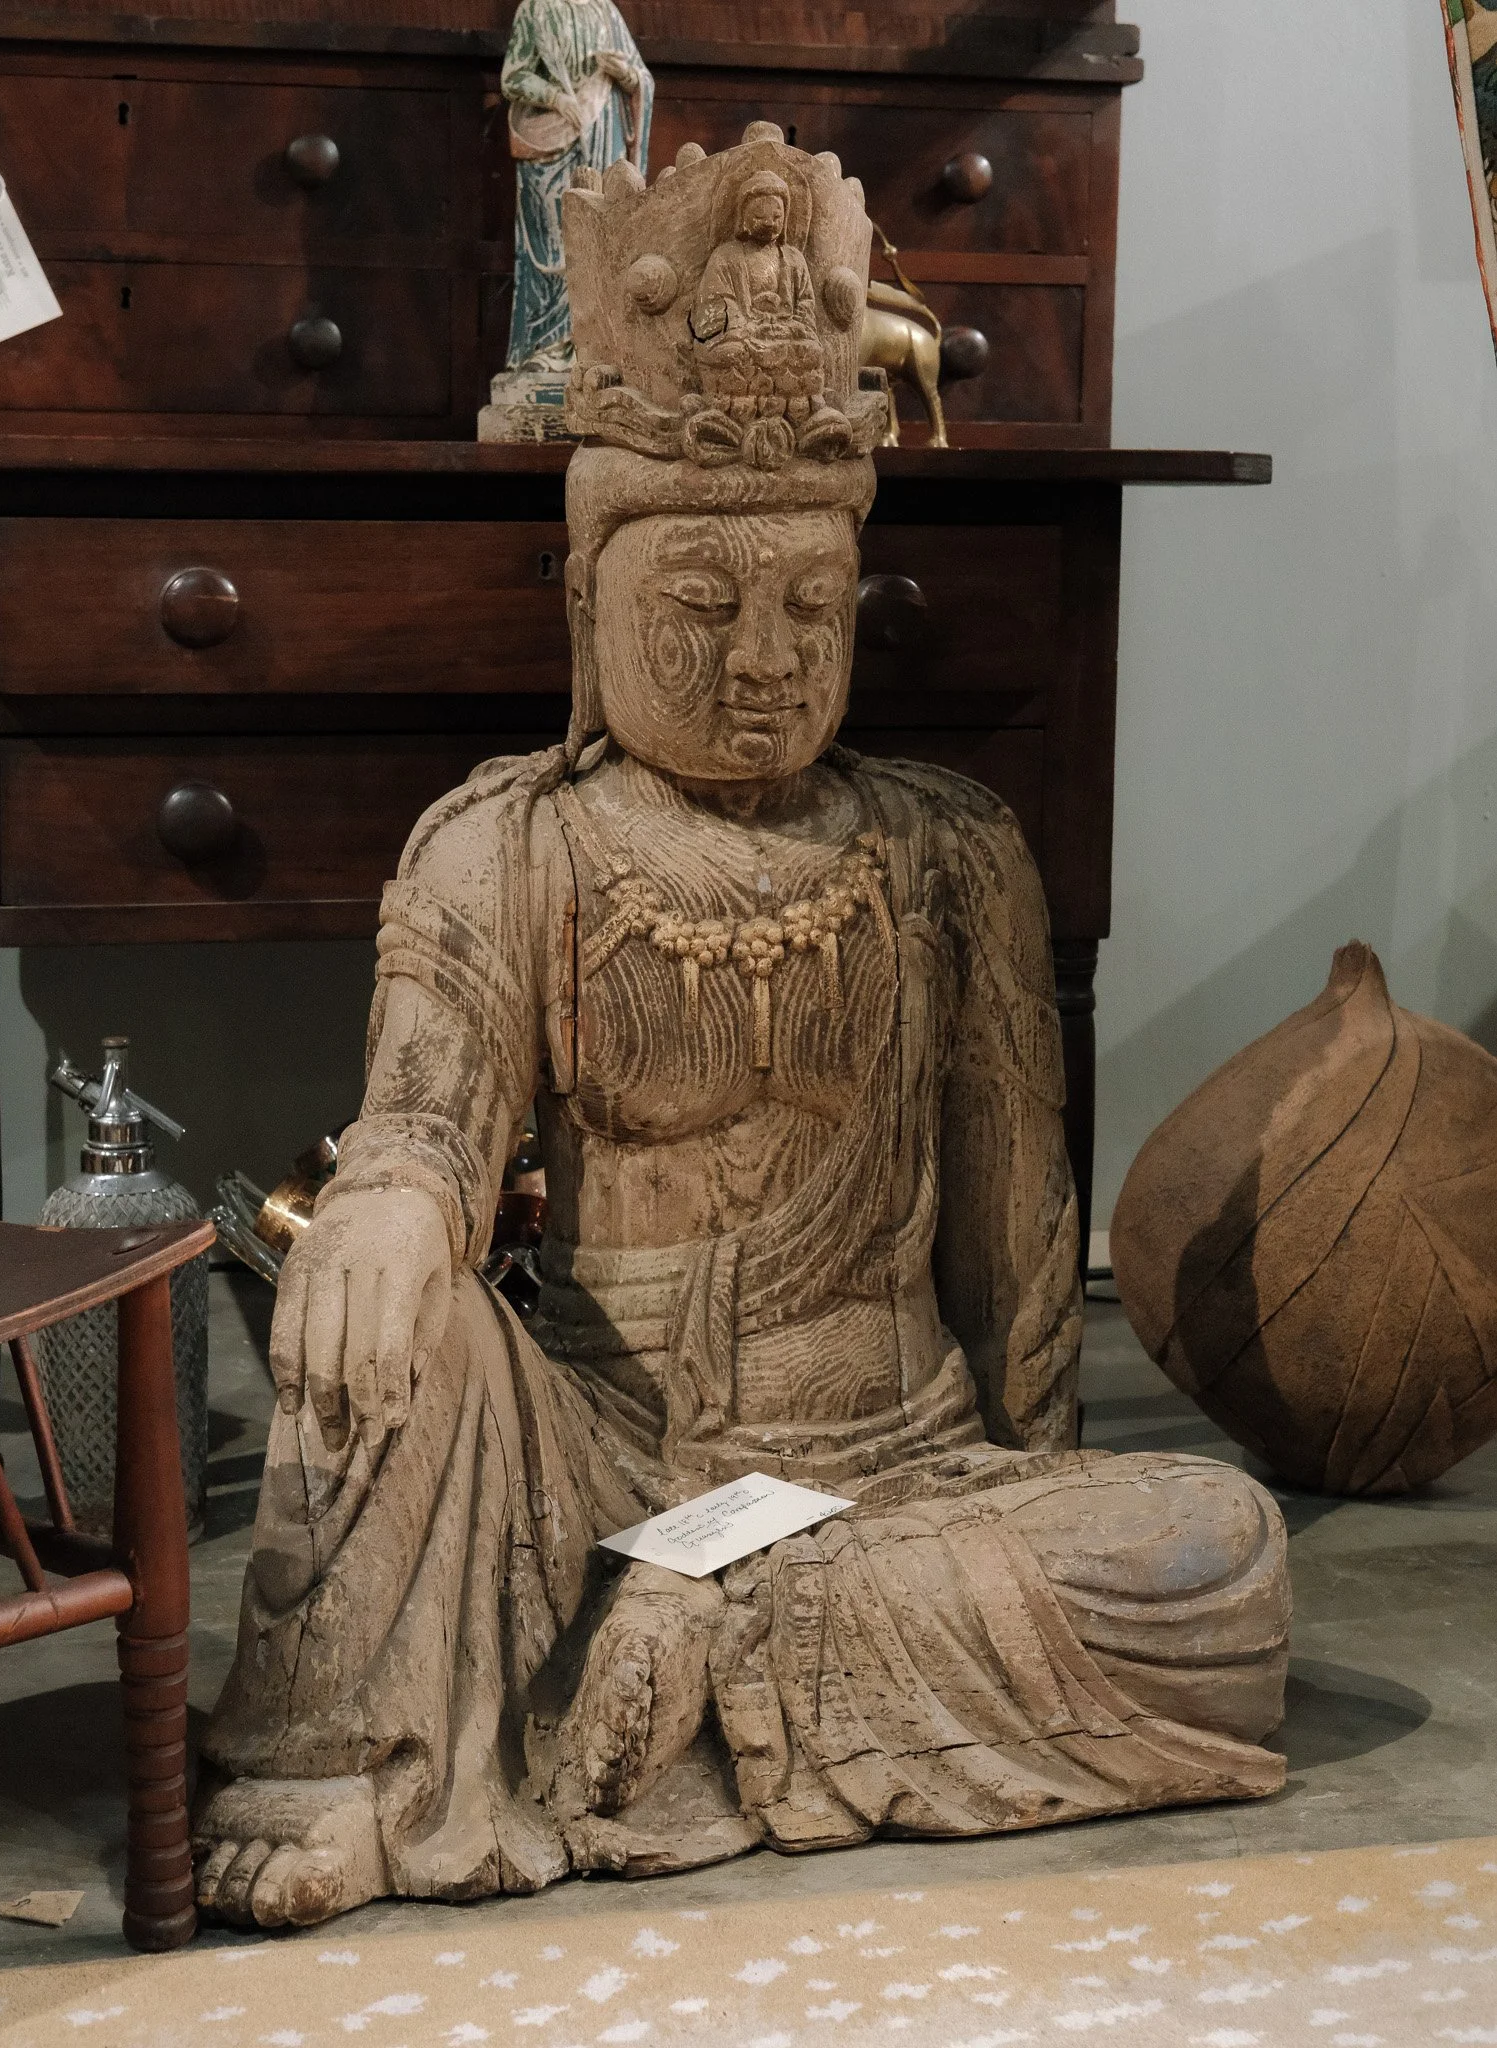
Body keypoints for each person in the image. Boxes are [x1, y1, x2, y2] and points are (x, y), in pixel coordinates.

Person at [195, 127, 1290, 1933]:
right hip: (598, 1469)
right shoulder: (511, 842)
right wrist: (391, 1210)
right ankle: (338, 1759)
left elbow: (1019, 1249)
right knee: (385, 1322)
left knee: (1216, 1555)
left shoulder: (947, 852)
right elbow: (424, 1119)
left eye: (807, 606)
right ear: (586, 605)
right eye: (698, 607)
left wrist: (1021, 1485)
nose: (763, 658)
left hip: (884, 1477)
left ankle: (720, 1645)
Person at [501, 0, 652, 373]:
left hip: (604, 136)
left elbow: (641, 78)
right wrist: (555, 97)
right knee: (556, 239)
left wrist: (628, 76)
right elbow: (512, 77)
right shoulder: (535, 10)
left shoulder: (605, 11)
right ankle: (545, 347)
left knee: (601, 234)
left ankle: (596, 347)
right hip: (553, 144)